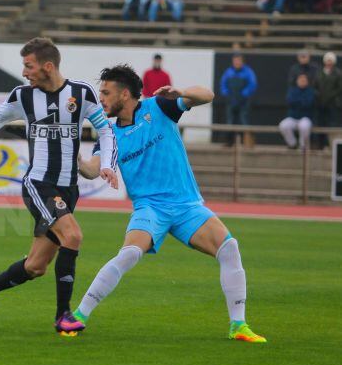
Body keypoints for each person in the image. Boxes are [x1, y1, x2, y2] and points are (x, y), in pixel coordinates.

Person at [74, 65, 267, 343]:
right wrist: (78, 160)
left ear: (125, 94)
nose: (100, 98)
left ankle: (238, 325)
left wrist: (184, 93)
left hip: (186, 205)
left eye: (105, 92)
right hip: (149, 208)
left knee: (229, 248)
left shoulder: (160, 107)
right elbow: (93, 169)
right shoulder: (110, 134)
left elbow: (208, 95)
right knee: (129, 254)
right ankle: (79, 316)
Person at [0, 37, 118, 336]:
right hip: (39, 183)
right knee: (73, 236)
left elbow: (105, 129)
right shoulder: (23, 96)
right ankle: (63, 316)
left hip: (68, 188)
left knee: (36, 266)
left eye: (29, 66)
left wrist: (107, 165)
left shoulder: (80, 93)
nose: (25, 72)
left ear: (48, 67)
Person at [220, 53, 257, 127]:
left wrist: (244, 94)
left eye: (238, 61)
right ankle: (230, 138)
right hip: (231, 100)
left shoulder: (248, 72)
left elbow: (253, 84)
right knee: (229, 122)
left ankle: (245, 137)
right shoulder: (228, 72)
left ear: (242, 62)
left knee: (243, 121)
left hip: (244, 101)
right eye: (235, 61)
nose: (236, 63)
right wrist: (227, 94)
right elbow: (223, 84)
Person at [279, 73, 315, 150]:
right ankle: (292, 144)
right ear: (297, 81)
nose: (302, 81)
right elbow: (290, 101)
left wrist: (298, 101)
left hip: (305, 117)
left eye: (304, 80)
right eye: (300, 80)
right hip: (293, 117)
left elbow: (308, 103)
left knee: (304, 127)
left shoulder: (310, 91)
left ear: (307, 81)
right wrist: (301, 101)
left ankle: (303, 146)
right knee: (283, 125)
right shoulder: (292, 90)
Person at [314, 52, 342, 147]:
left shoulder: (338, 73)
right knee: (320, 123)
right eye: (327, 60)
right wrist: (319, 95)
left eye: (331, 60)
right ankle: (320, 144)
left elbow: (339, 88)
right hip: (320, 103)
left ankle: (331, 145)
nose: (329, 62)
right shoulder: (319, 72)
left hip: (332, 104)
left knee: (332, 124)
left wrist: (330, 96)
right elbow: (315, 86)